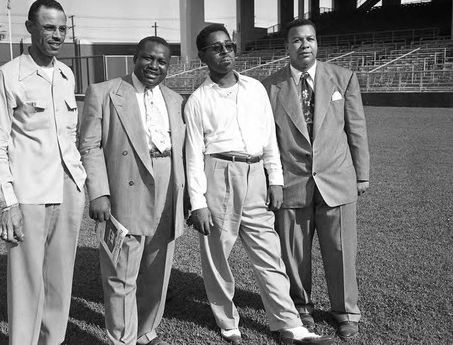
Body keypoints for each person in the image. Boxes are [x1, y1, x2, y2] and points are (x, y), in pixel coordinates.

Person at [184, 24, 333, 345]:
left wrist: (275, 180)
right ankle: (227, 321)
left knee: (269, 253)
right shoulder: (197, 100)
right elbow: (194, 154)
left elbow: (268, 139)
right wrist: (198, 202)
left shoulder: (254, 88)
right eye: (216, 48)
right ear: (202, 56)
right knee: (217, 255)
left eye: (229, 46)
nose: (225, 52)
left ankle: (289, 325)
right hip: (218, 173)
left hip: (256, 178)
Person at [262, 19, 370, 340]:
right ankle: (300, 308)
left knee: (340, 251)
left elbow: (357, 129)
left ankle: (346, 312)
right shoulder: (269, 87)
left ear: (317, 43)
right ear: (287, 47)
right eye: (297, 40)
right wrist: (271, 182)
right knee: (294, 255)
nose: (304, 45)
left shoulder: (343, 79)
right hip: (291, 184)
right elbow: (266, 140)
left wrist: (362, 174)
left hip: (337, 180)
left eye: (310, 39)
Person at [0, 0, 86, 345]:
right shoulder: (9, 75)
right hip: (29, 196)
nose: (57, 35)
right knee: (27, 285)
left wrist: (80, 183)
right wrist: (8, 203)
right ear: (30, 28)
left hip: (68, 191)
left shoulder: (65, 74)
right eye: (48, 27)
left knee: (59, 282)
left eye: (61, 28)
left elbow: (69, 136)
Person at [79, 36, 187, 345]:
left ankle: (146, 332)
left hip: (167, 187)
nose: (154, 66)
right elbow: (89, 146)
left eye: (162, 61)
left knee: (157, 272)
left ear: (169, 65)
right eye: (147, 58)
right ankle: (121, 339)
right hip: (127, 186)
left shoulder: (175, 100)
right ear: (135, 58)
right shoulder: (104, 92)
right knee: (120, 273)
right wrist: (98, 192)